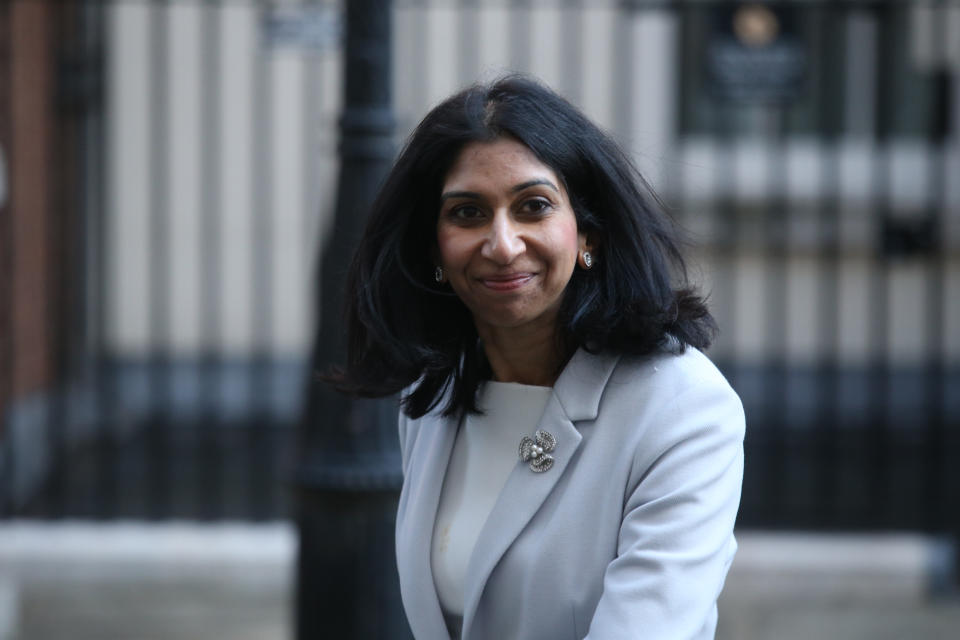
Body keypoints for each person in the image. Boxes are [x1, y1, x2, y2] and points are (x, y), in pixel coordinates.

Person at [333, 76, 745, 640]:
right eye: (467, 213)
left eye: (534, 206)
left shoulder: (682, 407)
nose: (502, 245)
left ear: (587, 235)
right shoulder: (431, 397)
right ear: (433, 246)